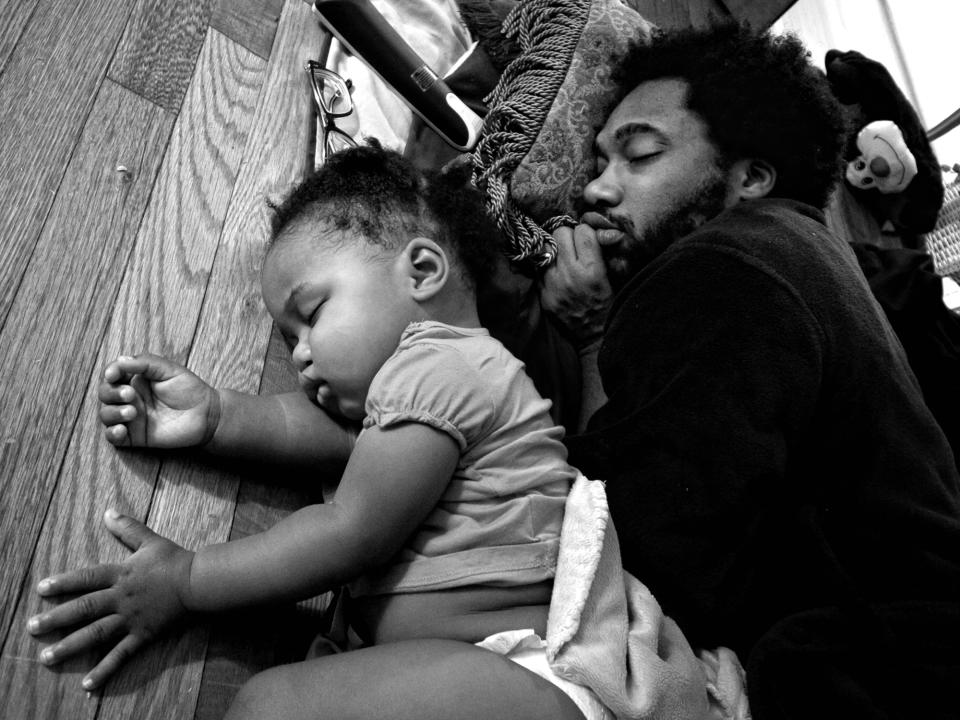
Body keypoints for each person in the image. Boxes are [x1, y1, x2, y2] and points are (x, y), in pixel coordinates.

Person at [27, 143, 605, 720]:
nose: (301, 356)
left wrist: (188, 581)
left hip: (522, 675)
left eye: (313, 315)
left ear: (423, 271)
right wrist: (216, 417)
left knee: (269, 706)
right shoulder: (424, 398)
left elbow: (349, 530)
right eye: (288, 340)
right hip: (477, 674)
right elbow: (336, 437)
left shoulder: (442, 365)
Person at [540, 22, 960, 719]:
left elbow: (615, 566)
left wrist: (589, 337)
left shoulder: (724, 266)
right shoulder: (803, 254)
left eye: (639, 156)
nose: (597, 192)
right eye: (597, 164)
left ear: (750, 178)